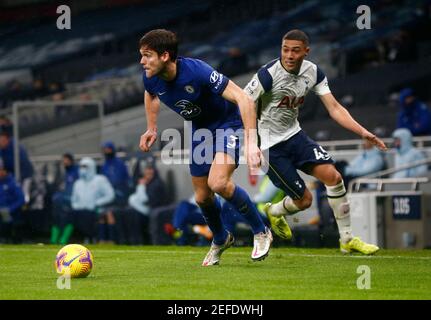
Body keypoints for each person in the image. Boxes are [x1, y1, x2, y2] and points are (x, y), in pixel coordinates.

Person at [244, 29, 388, 255]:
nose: (289, 55)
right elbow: (246, 103)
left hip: (295, 136)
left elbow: (334, 107)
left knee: (334, 177)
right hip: (268, 146)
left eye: (295, 51)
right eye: (285, 50)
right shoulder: (268, 74)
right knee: (305, 201)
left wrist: (363, 131)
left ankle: (347, 239)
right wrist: (251, 143)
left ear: (306, 52)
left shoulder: (314, 73)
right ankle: (274, 212)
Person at [138, 29, 272, 266]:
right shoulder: (150, 76)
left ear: (165, 56)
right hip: (200, 130)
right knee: (202, 197)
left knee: (218, 183)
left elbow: (244, 98)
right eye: (141, 55)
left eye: (147, 55)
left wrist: (252, 143)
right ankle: (221, 238)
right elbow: (151, 95)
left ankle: (261, 231)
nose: (142, 61)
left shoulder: (197, 71)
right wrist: (152, 128)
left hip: (228, 124)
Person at [70, 157, 115, 243]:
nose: (82, 169)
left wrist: (97, 203)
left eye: (85, 167)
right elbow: (73, 200)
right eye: (81, 167)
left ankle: (96, 239)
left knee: (94, 217)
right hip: (80, 213)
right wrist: (78, 206)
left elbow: (110, 195)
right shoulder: (77, 183)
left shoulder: (100, 180)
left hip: (96, 211)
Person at [100, 141, 131, 243]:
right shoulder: (104, 165)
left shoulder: (119, 164)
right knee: (101, 214)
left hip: (119, 197)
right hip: (107, 197)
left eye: (108, 149)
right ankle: (102, 239)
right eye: (105, 149)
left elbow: (121, 181)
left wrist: (117, 193)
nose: (106, 151)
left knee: (109, 213)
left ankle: (112, 240)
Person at [50, 153, 79, 244]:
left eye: (66, 160)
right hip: (59, 201)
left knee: (68, 219)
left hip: (69, 201)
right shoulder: (63, 172)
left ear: (71, 160)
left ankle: (63, 239)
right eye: (63, 160)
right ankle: (54, 240)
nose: (64, 162)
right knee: (56, 219)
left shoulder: (75, 172)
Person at [0, 131, 33, 203]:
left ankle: (25, 205)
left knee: (24, 194)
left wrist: (15, 179)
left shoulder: (17, 149)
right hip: (11, 176)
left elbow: (24, 166)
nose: (1, 143)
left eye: (2, 140)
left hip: (24, 176)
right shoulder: (2, 150)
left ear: (7, 140)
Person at [0, 159, 25, 243]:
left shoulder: (12, 183)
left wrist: (10, 209)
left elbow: (21, 199)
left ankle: (6, 238)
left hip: (10, 212)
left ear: (5, 171)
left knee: (5, 216)